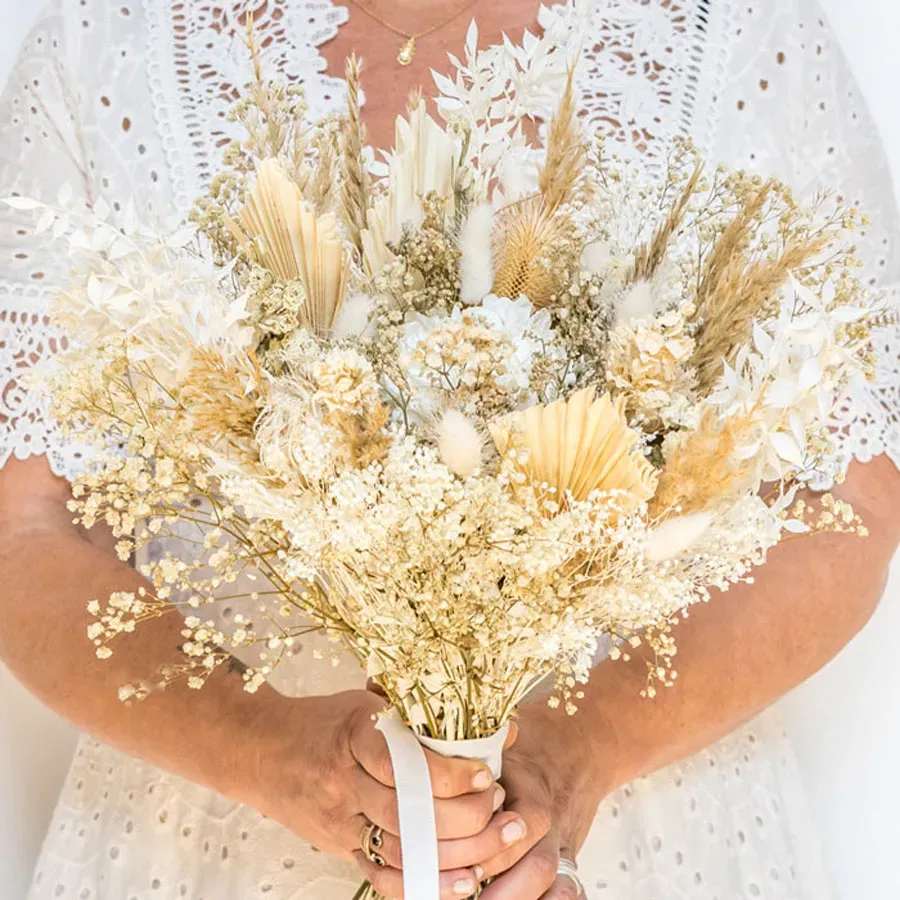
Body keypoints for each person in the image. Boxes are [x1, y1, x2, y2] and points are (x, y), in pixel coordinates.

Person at [1, 1, 899, 898]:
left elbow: (849, 504)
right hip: (202, 834)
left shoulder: (737, 30)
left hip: (649, 829)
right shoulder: (105, 38)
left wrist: (578, 755)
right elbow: (26, 526)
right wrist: (269, 748)